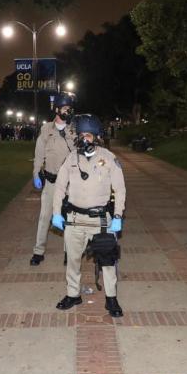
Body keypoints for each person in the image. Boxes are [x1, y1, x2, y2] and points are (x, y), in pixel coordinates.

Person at [51, 114, 126, 318]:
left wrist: (118, 215)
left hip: (100, 221)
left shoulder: (109, 158)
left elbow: (119, 189)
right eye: (82, 135)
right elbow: (59, 186)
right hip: (75, 219)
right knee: (73, 260)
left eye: (89, 135)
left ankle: (111, 298)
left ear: (97, 137)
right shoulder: (71, 158)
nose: (85, 139)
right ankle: (73, 294)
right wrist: (56, 212)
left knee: (108, 262)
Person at [29, 93, 77, 266]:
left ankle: (68, 252)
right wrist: (36, 174)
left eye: (69, 109)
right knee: (45, 217)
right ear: (57, 110)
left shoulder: (74, 130)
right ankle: (38, 251)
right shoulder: (46, 129)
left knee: (70, 218)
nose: (68, 111)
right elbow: (39, 154)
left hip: (70, 184)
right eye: (65, 108)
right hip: (51, 182)